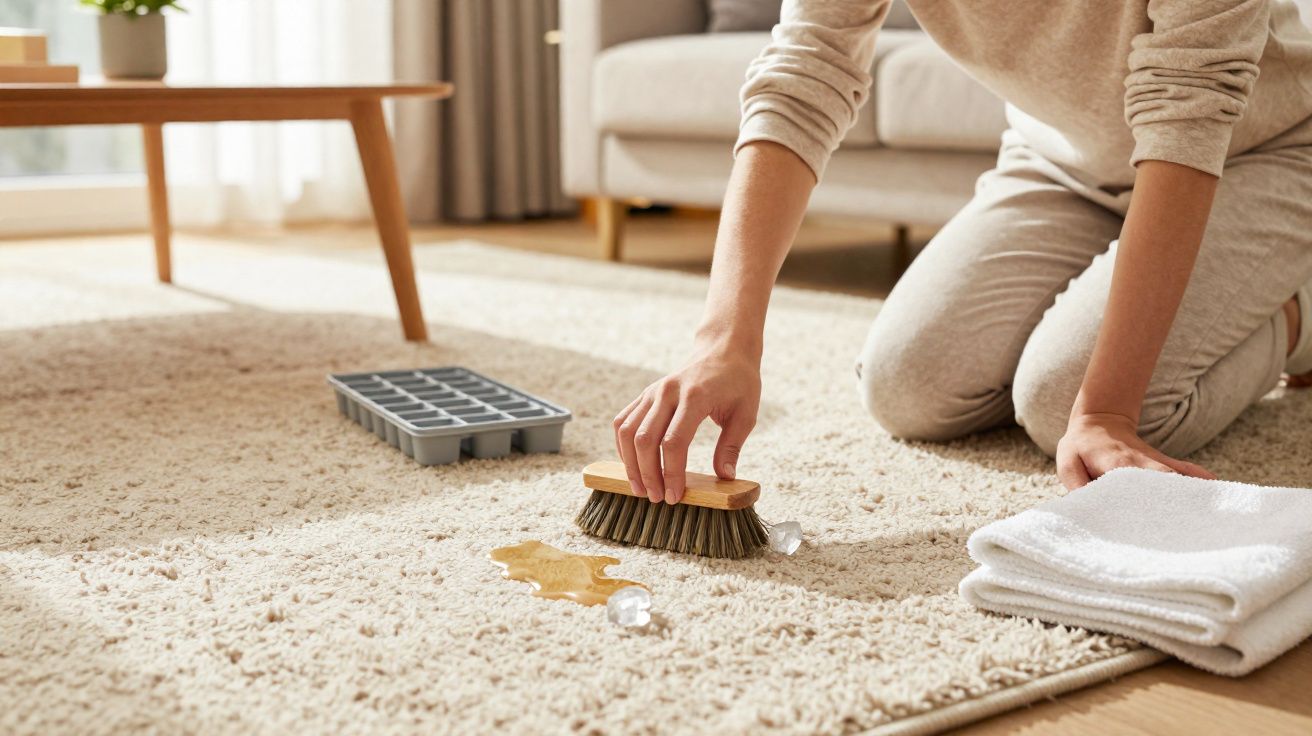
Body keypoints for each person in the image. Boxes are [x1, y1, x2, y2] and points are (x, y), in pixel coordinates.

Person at [612, 0, 1312, 502]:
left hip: (1260, 151)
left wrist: (1104, 413)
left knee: (1065, 400)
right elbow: (806, 73)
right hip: (1062, 162)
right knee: (906, 383)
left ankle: (1296, 312)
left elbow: (1188, 108)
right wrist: (724, 340)